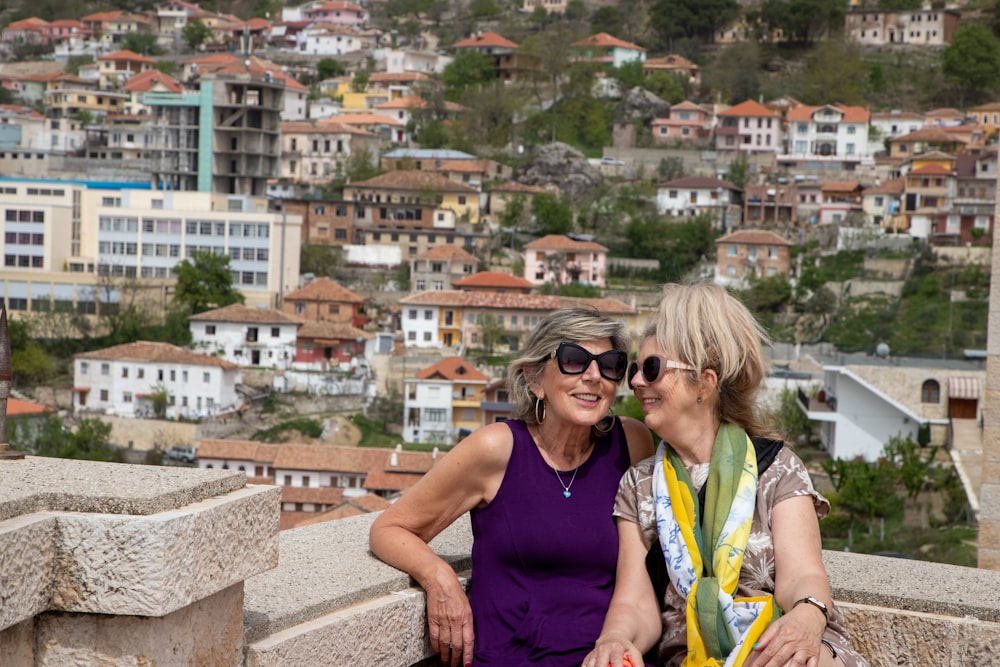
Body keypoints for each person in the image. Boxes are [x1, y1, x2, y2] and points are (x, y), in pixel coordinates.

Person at [583, 283, 868, 667]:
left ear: (706, 382)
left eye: (651, 369)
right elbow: (634, 602)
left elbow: (801, 575)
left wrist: (806, 614)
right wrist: (615, 639)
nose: (635, 382)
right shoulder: (639, 486)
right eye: (635, 369)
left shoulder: (777, 468)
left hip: (778, 646)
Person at [370, 307, 654, 666]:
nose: (594, 375)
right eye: (574, 360)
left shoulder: (631, 443)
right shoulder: (497, 449)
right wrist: (439, 577)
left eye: (610, 363)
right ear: (535, 379)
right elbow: (389, 528)